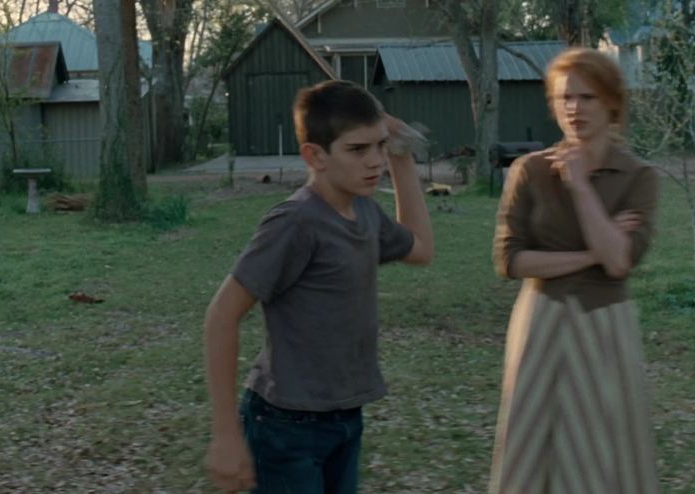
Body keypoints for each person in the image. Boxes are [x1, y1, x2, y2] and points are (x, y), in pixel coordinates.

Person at [203, 80, 435, 493]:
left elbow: (420, 249)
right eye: (357, 149)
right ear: (315, 155)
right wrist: (225, 436)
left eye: (380, 146)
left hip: (345, 416)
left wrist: (402, 158)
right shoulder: (296, 222)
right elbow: (221, 315)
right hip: (285, 426)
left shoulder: (364, 210)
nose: (375, 161)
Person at [490, 47, 660, 493]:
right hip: (541, 321)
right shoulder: (529, 170)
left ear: (611, 103)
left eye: (587, 97)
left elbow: (619, 262)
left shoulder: (638, 176)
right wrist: (589, 256)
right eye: (564, 97)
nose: (574, 108)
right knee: (533, 451)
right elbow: (510, 260)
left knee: (602, 451)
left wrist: (580, 186)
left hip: (605, 325)